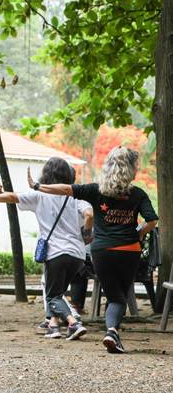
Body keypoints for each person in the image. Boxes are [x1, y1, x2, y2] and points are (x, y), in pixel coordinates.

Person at [28, 147, 158, 353]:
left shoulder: (96, 190)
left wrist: (38, 186)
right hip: (129, 251)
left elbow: (66, 189)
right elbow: (152, 220)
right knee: (118, 297)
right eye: (136, 166)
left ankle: (112, 333)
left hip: (101, 251)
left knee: (112, 293)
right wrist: (139, 234)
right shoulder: (138, 194)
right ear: (130, 169)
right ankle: (112, 331)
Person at [0, 158, 92, 340]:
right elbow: (89, 214)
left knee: (53, 295)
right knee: (57, 291)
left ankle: (73, 323)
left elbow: (14, 197)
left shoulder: (39, 195)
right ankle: (53, 326)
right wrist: (86, 233)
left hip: (55, 252)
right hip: (77, 254)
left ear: (46, 174)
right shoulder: (75, 197)